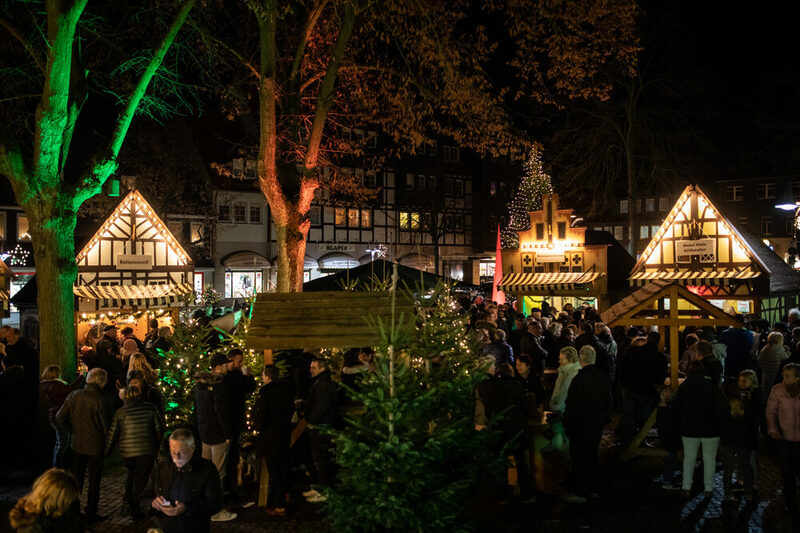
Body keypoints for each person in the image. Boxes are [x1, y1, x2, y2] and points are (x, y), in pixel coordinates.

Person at [55, 368, 109, 523]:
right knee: (94, 480)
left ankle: (73, 509)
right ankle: (91, 512)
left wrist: (72, 430)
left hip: (77, 443)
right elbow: (105, 427)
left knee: (76, 478)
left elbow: (59, 417)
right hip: (95, 445)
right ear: (100, 381)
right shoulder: (100, 400)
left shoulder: (74, 395)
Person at [142, 428, 222, 533]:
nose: (177, 457)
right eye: (173, 452)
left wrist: (186, 508)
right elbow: (143, 499)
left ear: (192, 448)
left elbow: (215, 504)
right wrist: (152, 504)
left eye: (181, 452)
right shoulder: (161, 467)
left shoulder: (207, 469)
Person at [105, 385, 165, 522]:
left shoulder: (120, 412)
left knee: (132, 475)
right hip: (145, 450)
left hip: (127, 452)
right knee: (140, 480)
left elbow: (112, 434)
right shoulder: (150, 408)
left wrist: (106, 451)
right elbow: (159, 428)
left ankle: (130, 504)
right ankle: (135, 509)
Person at [477, 362, 535, 502]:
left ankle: (503, 495)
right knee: (520, 461)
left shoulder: (488, 387)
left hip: (498, 428)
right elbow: (528, 409)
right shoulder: (516, 386)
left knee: (501, 463)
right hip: (515, 428)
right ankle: (525, 494)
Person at [562, 345, 612, 503]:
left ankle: (581, 491)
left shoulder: (579, 379)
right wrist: (605, 419)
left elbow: (572, 405)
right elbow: (608, 402)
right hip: (596, 424)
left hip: (580, 425)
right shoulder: (602, 378)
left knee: (579, 458)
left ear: (581, 359)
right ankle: (593, 488)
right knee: (592, 455)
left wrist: (568, 424)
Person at [194, 353, 236, 522]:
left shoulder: (199, 386)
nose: (228, 367)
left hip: (204, 433)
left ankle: (203, 504)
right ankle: (216, 510)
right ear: (218, 367)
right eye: (226, 365)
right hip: (217, 435)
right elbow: (221, 413)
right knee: (218, 473)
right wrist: (227, 434)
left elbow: (197, 410)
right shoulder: (219, 387)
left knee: (206, 470)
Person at [674, 361, 720, 498]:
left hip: (689, 428)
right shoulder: (711, 386)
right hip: (710, 429)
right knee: (710, 460)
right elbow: (717, 408)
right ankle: (708, 488)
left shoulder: (684, 387)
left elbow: (678, 408)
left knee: (689, 458)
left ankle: (686, 486)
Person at [254, 365, 294, 516]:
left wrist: (258, 423)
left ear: (267, 377)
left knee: (274, 470)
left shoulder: (266, 394)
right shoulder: (286, 391)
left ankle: (280, 504)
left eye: (263, 376)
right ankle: (287, 493)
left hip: (270, 437)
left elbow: (262, 417)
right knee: (283, 465)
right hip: (283, 434)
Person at [618, 331, 668, 446]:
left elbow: (622, 367)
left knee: (628, 417)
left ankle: (626, 442)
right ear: (658, 342)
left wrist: (624, 383)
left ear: (647, 338)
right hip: (646, 392)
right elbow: (661, 378)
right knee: (643, 419)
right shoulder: (660, 357)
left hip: (629, 388)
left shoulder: (633, 351)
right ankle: (639, 442)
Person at [766, 363, 800, 514]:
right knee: (787, 471)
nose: (784, 379)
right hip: (783, 436)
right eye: (784, 375)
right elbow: (770, 411)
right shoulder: (777, 390)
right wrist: (772, 428)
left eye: (788, 376)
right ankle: (790, 502)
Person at [223, 348, 257, 495]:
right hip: (228, 419)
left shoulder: (239, 375)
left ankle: (232, 485)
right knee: (228, 454)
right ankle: (227, 486)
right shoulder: (225, 377)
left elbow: (250, 388)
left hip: (237, 418)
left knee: (234, 452)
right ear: (231, 360)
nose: (241, 363)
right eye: (239, 360)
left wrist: (248, 376)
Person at [304, 357, 338, 503]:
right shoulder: (321, 382)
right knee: (319, 459)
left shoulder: (323, 385)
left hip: (322, 426)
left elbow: (321, 406)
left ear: (322, 369)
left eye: (314, 368)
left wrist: (311, 420)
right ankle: (320, 488)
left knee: (322, 459)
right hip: (320, 424)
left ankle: (324, 490)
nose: (310, 370)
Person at [717, 377, 757, 502]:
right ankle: (749, 494)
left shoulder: (722, 404)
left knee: (728, 469)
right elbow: (751, 423)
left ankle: (728, 495)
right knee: (745, 467)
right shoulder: (744, 404)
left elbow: (719, 423)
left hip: (728, 441)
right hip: (743, 441)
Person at [8, 468, 83, 533]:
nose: (71, 504)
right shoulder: (31, 528)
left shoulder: (64, 514)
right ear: (56, 500)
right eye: (69, 501)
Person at [40, 365, 76, 468]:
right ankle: (57, 467)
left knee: (59, 442)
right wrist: (81, 377)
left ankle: (56, 465)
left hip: (54, 414)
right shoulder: (56, 385)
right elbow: (71, 389)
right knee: (62, 443)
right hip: (59, 415)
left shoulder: (48, 384)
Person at [548, 346, 582, 450]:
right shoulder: (564, 371)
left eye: (562, 359)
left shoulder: (573, 374)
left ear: (570, 360)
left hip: (566, 409)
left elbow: (566, 392)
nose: (559, 361)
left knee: (566, 432)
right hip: (561, 408)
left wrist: (557, 406)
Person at [758, 332, 789, 399]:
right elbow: (786, 362)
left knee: (766, 396)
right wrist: (788, 351)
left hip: (766, 376)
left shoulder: (764, 349)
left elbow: (759, 361)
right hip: (777, 377)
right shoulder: (781, 350)